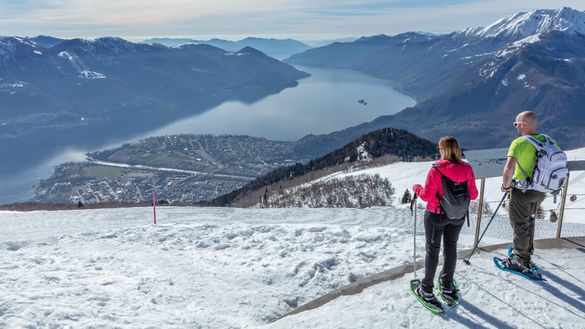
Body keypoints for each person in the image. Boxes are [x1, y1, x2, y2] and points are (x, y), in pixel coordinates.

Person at [412, 136, 478, 306]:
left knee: (432, 250)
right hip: (458, 216)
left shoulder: (437, 169)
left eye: (439, 148)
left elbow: (427, 196)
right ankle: (447, 285)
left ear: (443, 150)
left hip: (436, 215)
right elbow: (474, 194)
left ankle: (426, 290)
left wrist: (416, 188)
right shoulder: (467, 168)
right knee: (451, 247)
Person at [501, 111, 558, 272]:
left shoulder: (519, 143)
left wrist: (505, 186)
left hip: (522, 191)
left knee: (519, 223)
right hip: (541, 190)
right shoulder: (549, 140)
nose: (515, 126)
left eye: (516, 123)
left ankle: (521, 259)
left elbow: (509, 169)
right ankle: (526, 250)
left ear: (523, 124)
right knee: (530, 220)